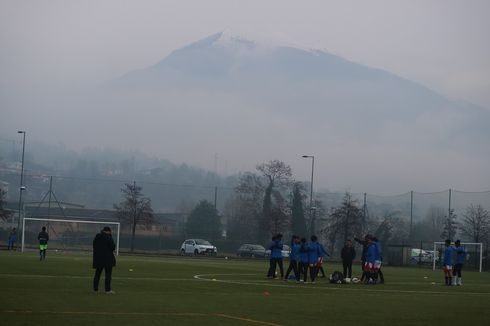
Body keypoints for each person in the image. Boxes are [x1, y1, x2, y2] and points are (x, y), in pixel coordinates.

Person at [93, 226, 116, 294]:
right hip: (107, 259)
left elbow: (94, 245)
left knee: (97, 274)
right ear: (108, 231)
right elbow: (113, 247)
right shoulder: (108, 237)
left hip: (98, 258)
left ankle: (95, 289)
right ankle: (107, 290)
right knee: (108, 275)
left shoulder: (97, 236)